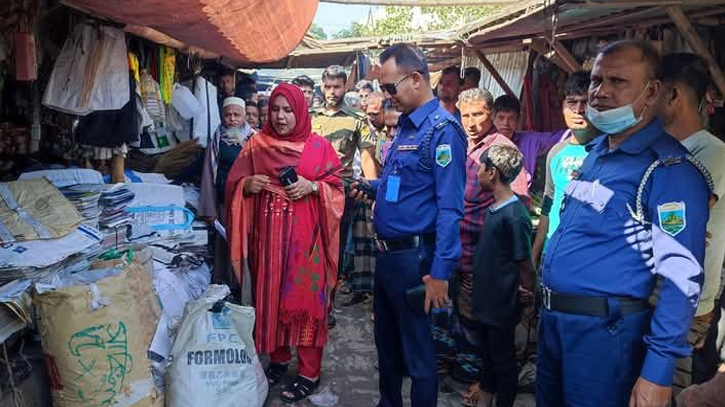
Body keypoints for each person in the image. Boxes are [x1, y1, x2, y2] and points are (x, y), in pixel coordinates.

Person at [536, 40, 711, 407]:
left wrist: (657, 372)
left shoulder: (667, 171)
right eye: (597, 81)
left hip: (605, 337)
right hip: (556, 325)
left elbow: (681, 278)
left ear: (652, 92)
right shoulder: (596, 155)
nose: (600, 92)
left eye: (617, 81)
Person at [351, 43, 467, 407]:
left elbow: (450, 208)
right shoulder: (405, 127)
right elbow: (403, 184)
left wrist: (440, 273)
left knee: (419, 358)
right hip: (388, 259)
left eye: (390, 88)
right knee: (385, 351)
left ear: (416, 79)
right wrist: (371, 188)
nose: (387, 97)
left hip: (417, 262)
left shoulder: (442, 131)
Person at [224, 83, 345, 403]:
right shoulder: (256, 145)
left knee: (305, 303)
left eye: (288, 110)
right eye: (275, 109)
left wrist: (313, 187)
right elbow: (233, 183)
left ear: (300, 111)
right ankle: (277, 359)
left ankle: (309, 371)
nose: (280, 116)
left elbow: (337, 189)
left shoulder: (319, 147)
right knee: (270, 298)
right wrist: (247, 185)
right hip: (267, 240)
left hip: (305, 242)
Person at [435, 88, 529, 405]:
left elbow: (519, 201)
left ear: (489, 113)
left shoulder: (501, 150)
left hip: (482, 257)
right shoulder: (458, 143)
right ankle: (461, 372)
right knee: (454, 317)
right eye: (466, 115)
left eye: (479, 115)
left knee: (479, 325)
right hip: (453, 250)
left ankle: (473, 380)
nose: (472, 122)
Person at [659, 52, 725, 393]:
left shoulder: (712, 152)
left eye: (652, 90)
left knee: (666, 390)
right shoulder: (664, 150)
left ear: (673, 95)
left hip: (685, 301)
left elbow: (674, 222)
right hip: (659, 294)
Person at [312, 65, 376, 326]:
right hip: (309, 192)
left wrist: (372, 191)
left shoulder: (356, 119)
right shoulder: (309, 117)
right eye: (327, 87)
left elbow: (368, 157)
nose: (332, 92)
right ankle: (308, 303)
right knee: (308, 251)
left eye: (337, 86)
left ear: (345, 87)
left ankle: (327, 306)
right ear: (322, 86)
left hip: (340, 194)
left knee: (333, 252)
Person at [473, 144, 536, 407]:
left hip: (500, 303)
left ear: (493, 172)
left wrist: (528, 295)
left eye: (481, 168)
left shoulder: (513, 215)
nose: (477, 173)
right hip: (487, 300)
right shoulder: (495, 208)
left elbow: (524, 263)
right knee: (488, 357)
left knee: (504, 364)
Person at [531, 71, 599, 266]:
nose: (578, 109)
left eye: (585, 102)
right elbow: (548, 204)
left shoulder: (606, 151)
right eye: (572, 102)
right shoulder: (556, 153)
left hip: (588, 257)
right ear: (563, 106)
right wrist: (535, 254)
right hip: (552, 252)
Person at [198, 97, 255, 291]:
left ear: (244, 116)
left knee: (247, 247)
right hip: (225, 203)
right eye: (228, 115)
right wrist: (209, 208)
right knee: (226, 247)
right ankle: (226, 289)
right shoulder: (216, 140)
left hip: (248, 205)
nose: (232, 119)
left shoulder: (254, 140)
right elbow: (208, 175)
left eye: (236, 115)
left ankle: (246, 289)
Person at [492, 95, 567, 189]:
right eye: (501, 117)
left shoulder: (529, 141)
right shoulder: (483, 143)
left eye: (511, 118)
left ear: (518, 120)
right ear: (492, 118)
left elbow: (559, 137)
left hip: (520, 197)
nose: (506, 123)